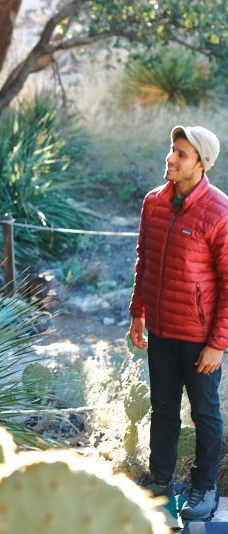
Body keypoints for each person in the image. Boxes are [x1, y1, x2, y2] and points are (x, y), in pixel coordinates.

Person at [129, 125, 225, 520]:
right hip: (161, 332)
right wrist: (138, 313)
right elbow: (144, 262)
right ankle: (160, 478)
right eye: (172, 150)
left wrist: (218, 343)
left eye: (181, 154)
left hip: (200, 339)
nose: (171, 158)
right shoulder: (153, 202)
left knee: (204, 414)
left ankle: (205, 488)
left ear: (201, 164)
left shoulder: (219, 211)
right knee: (162, 408)